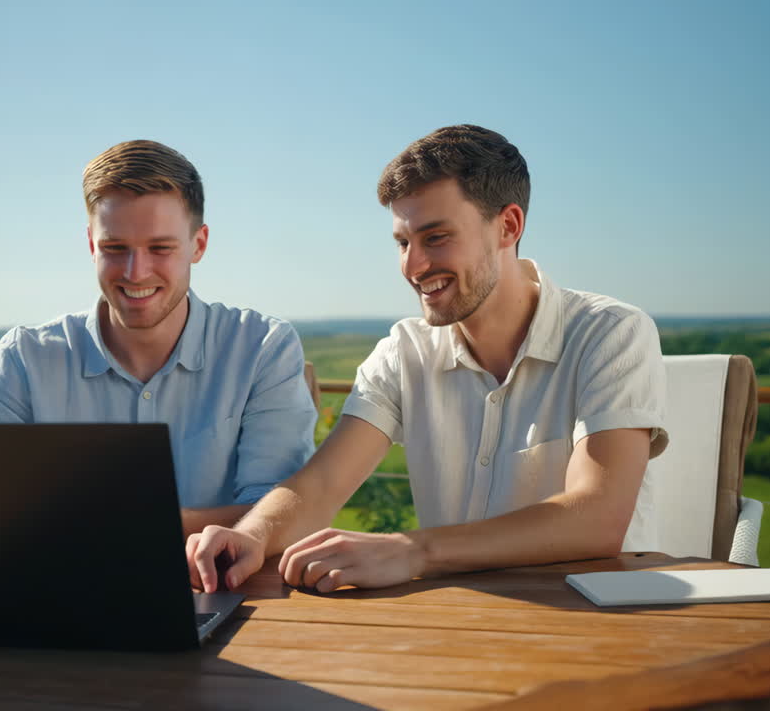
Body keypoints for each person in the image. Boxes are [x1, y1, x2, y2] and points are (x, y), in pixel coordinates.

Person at [187, 124, 669, 592]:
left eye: (436, 238)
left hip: (602, 622)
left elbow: (598, 517)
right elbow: (322, 484)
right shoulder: (403, 352)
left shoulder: (611, 333)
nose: (413, 266)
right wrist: (254, 534)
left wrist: (410, 550)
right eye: (403, 242)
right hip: (460, 628)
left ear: (508, 226)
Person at [0, 140, 317, 537]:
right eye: (115, 248)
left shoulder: (261, 348)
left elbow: (275, 512)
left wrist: (107, 525)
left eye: (160, 248)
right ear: (90, 245)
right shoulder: (24, 358)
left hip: (221, 588)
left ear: (198, 245)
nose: (136, 272)